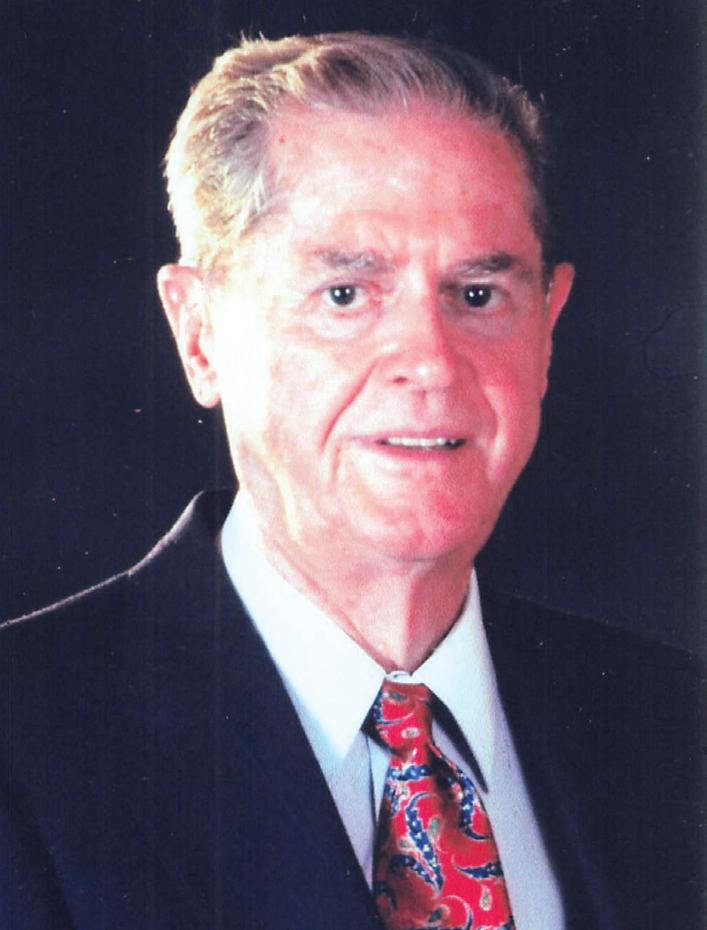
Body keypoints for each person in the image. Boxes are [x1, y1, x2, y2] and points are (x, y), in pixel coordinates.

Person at [0, 32, 698, 930]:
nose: (431, 362)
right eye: (345, 295)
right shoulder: (26, 747)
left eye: (477, 294)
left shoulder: (670, 730)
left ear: (546, 326)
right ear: (200, 334)